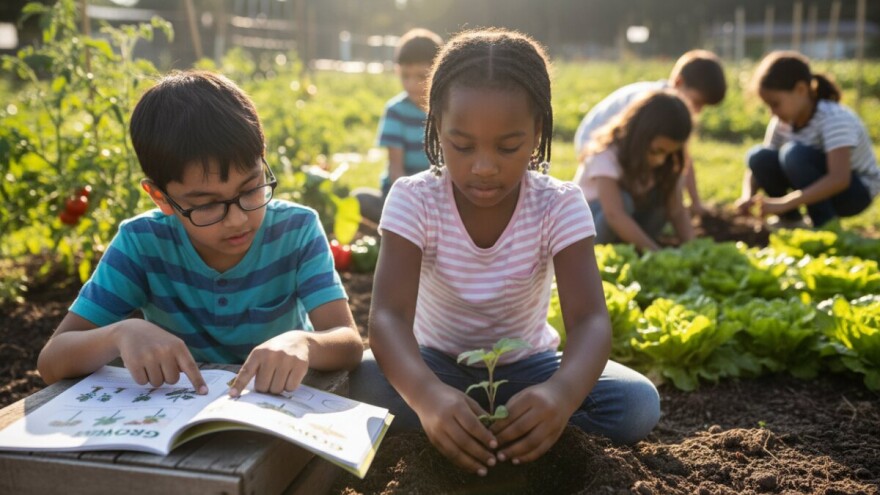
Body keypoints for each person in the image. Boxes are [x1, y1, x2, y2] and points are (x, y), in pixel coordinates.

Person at [349, 28, 660, 477]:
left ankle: (512, 424)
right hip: (433, 365)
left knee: (636, 404)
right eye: (462, 145)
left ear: (538, 132)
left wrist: (560, 395)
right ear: (436, 126)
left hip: (528, 370)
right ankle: (454, 422)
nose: (484, 166)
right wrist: (428, 396)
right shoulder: (413, 198)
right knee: (358, 382)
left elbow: (590, 320)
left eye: (508, 147)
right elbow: (387, 320)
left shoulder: (559, 203)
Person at [37, 71, 364, 398]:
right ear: (160, 198)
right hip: (178, 417)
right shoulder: (141, 243)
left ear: (263, 160)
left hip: (277, 403)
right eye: (207, 205)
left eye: (250, 189)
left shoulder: (296, 230)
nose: (237, 220)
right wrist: (119, 334)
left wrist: (304, 342)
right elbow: (52, 362)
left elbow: (348, 342)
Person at [735, 51, 880, 228]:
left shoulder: (834, 118)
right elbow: (760, 165)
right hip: (817, 181)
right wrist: (747, 195)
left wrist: (784, 203)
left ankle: (824, 224)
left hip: (855, 193)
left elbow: (840, 179)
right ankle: (791, 220)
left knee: (793, 154)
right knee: (758, 156)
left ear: (801, 90)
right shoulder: (782, 121)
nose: (772, 112)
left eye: (775, 103)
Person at [573, 49, 726, 216]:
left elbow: (683, 159)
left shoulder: (674, 113)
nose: (697, 110)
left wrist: (696, 202)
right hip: (595, 146)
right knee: (621, 202)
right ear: (679, 82)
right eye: (697, 101)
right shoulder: (651, 104)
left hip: (622, 154)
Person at [574, 91, 694, 252]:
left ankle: (638, 249)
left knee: (663, 193)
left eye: (669, 153)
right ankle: (599, 255)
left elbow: (677, 210)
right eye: (656, 151)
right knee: (624, 201)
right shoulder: (605, 155)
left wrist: (695, 250)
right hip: (589, 230)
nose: (661, 160)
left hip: (628, 228)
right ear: (640, 137)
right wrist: (655, 252)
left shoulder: (664, 164)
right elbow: (614, 215)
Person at [352, 28, 444, 224]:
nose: (411, 84)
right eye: (405, 76)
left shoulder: (448, 111)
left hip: (440, 194)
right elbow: (396, 170)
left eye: (421, 76)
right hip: (401, 193)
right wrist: (413, 203)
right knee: (358, 201)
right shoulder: (396, 111)